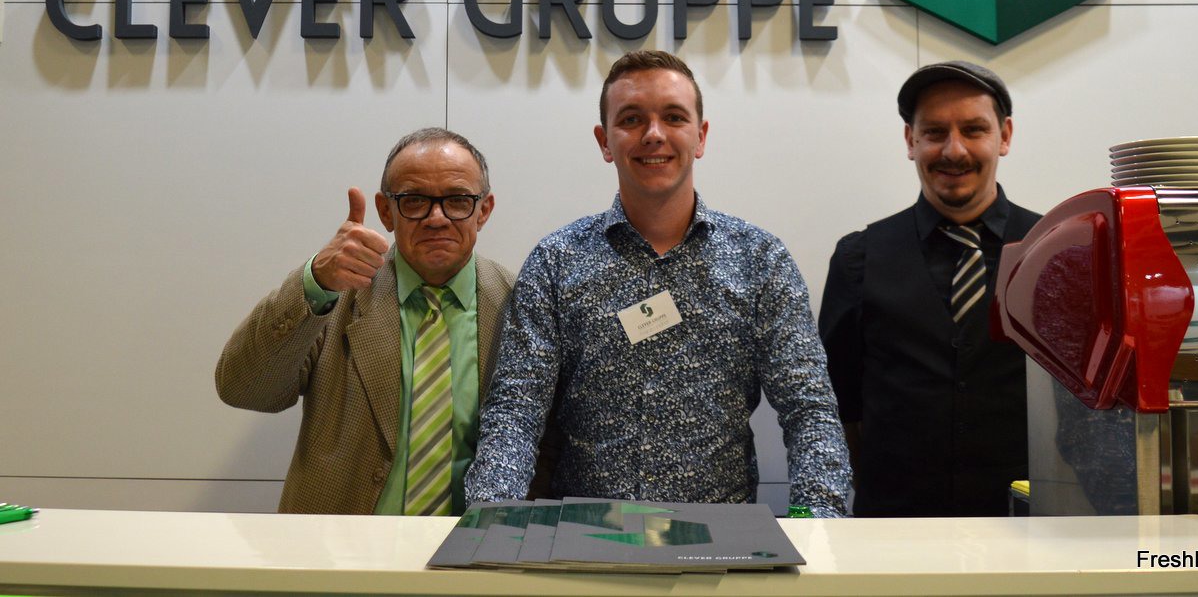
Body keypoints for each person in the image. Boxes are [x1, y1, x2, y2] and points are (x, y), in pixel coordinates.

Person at [465, 51, 850, 516]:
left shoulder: (760, 261)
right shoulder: (556, 262)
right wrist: (488, 521)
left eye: (673, 117)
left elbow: (810, 411)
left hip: (722, 541)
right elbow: (516, 412)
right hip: (584, 540)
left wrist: (816, 523)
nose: (653, 134)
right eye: (631, 119)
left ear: (700, 136)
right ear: (605, 141)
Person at [216, 127, 513, 515]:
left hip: (469, 546)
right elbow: (243, 388)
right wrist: (315, 281)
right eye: (414, 201)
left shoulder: (518, 304)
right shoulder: (336, 293)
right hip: (340, 545)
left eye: (458, 201)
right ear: (386, 211)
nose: (436, 218)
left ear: (484, 210)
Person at [818, 61, 1041, 517]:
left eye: (973, 130)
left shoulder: (1054, 251)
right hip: (893, 530)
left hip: (1027, 527)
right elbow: (838, 405)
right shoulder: (858, 258)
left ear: (1004, 136)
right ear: (910, 141)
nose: (954, 150)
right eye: (935, 132)